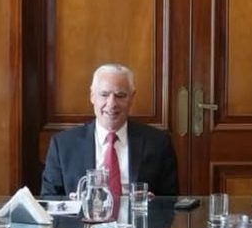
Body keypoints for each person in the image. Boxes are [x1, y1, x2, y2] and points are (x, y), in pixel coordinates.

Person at [40, 64, 179, 197]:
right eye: (104, 94)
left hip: (138, 214)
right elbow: (49, 199)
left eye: (120, 95)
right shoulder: (63, 145)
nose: (112, 104)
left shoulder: (158, 143)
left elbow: (170, 201)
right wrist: (73, 205)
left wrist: (154, 204)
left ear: (132, 98)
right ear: (92, 96)